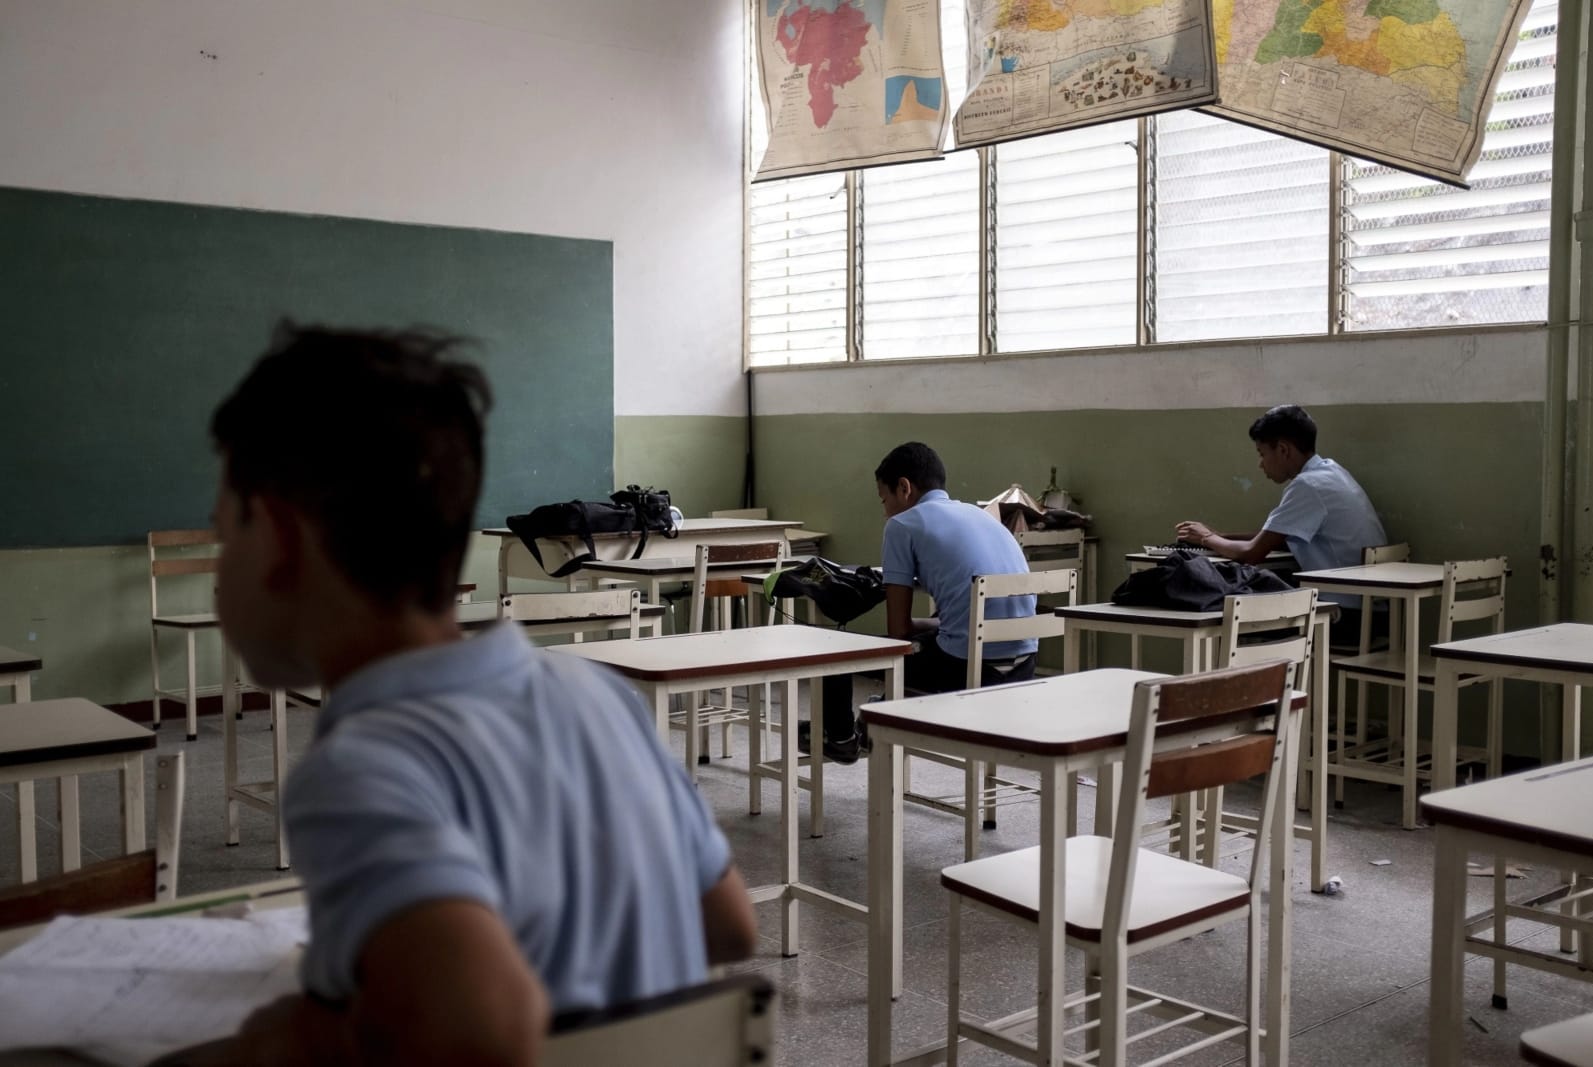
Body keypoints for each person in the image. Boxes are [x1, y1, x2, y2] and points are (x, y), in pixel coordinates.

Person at [172, 324, 756, 1066]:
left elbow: (482, 1027)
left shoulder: (359, 768)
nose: (224, 570)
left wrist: (292, 1038)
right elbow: (730, 923)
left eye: (228, 536)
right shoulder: (597, 695)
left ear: (284, 541)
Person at [810, 442, 1038, 763]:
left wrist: (919, 627)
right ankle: (873, 719)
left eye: (884, 499)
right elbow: (969, 621)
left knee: (838, 650)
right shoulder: (982, 515)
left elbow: (899, 631)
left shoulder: (902, 525)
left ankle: (841, 737)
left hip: (966, 668)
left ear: (904, 488)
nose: (885, 509)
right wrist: (936, 626)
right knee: (927, 643)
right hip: (1023, 663)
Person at [1175, 404, 1387, 644]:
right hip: (1374, 614)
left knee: (1232, 620)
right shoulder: (1331, 471)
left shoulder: (1307, 486)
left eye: (1262, 453)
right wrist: (1222, 536)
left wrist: (1206, 538)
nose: (1260, 464)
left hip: (1345, 618)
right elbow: (1272, 537)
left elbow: (1252, 553)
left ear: (1283, 450)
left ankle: (1229, 679)